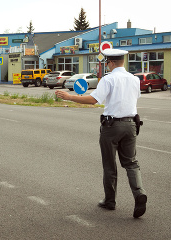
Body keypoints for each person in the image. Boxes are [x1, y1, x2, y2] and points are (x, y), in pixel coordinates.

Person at [55, 48, 147, 218]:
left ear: (111, 62)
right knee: (131, 163)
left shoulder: (108, 79)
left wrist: (69, 97)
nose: (107, 66)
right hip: (131, 124)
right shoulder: (134, 80)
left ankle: (110, 201)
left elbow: (93, 99)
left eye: (107, 62)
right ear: (122, 62)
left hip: (111, 126)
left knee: (109, 164)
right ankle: (139, 193)